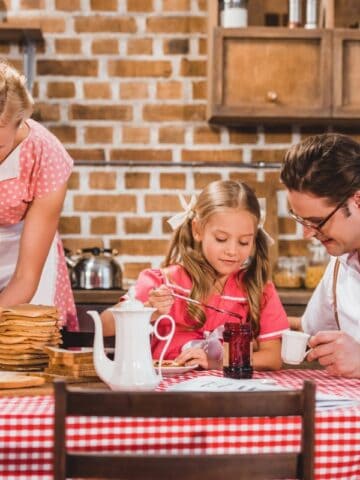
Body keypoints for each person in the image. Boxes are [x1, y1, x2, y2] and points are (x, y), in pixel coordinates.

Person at [101, 180, 289, 370]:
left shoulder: (259, 290)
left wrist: (219, 361)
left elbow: (272, 357)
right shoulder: (163, 283)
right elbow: (105, 324)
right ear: (197, 230)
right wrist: (148, 310)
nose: (232, 251)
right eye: (221, 239)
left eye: (244, 242)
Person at [0, 59, 78, 330]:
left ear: (19, 121)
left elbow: (25, 278)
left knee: (25, 341)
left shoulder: (46, 154)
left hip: (28, 260)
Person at [281, 133, 360, 378]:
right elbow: (308, 329)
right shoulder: (340, 265)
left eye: (317, 222)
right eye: (301, 220)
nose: (307, 234)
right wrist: (253, 323)